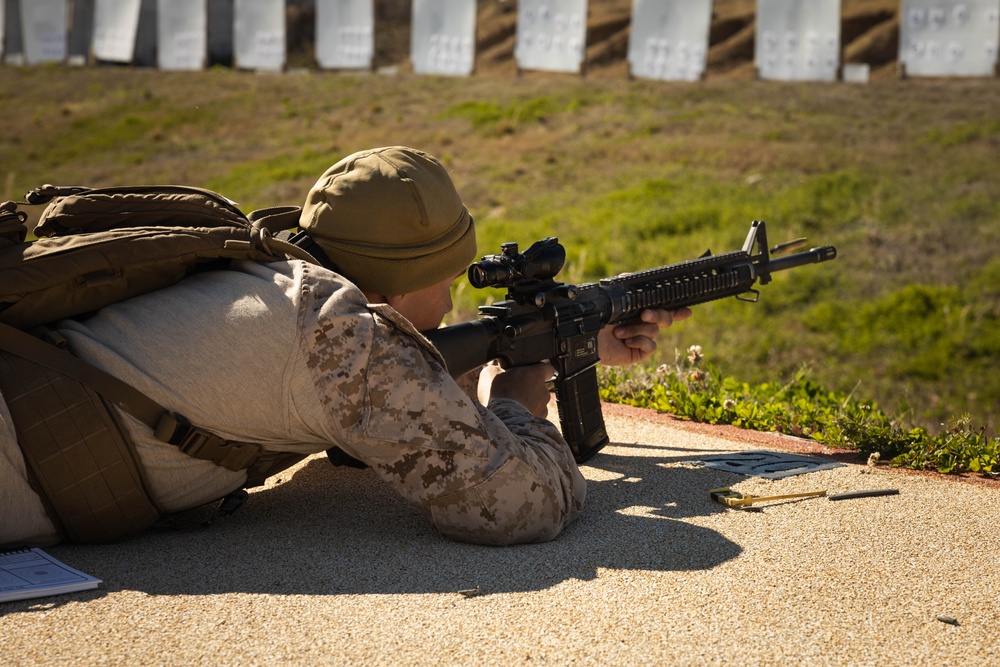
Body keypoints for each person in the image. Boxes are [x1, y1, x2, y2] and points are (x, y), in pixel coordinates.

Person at [0, 146, 690, 548]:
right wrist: (517, 401)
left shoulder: (270, 262)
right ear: (392, 290)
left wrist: (571, 339)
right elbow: (518, 501)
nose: (453, 303)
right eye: (446, 281)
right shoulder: (338, 329)